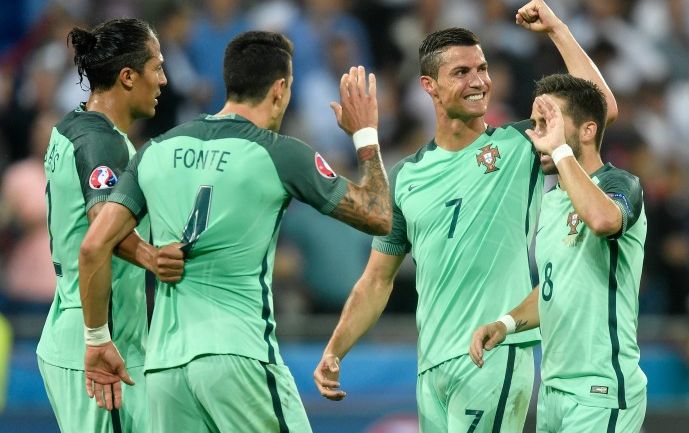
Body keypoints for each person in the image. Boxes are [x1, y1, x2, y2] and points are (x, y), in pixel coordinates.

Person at [313, 1, 618, 432]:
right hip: (432, 366)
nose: (479, 81)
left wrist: (557, 30)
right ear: (429, 86)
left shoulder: (521, 144)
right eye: (461, 72)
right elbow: (377, 280)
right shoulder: (406, 176)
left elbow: (598, 110)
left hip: (493, 354)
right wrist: (335, 350)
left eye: (482, 68)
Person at [78, 31, 391, 433]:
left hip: (165, 370)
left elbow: (93, 246)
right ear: (280, 89)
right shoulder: (280, 153)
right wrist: (365, 135)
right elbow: (379, 215)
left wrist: (97, 337)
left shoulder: (156, 150)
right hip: (240, 357)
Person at [469, 74, 646, 432]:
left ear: (586, 131)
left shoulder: (619, 185)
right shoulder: (551, 203)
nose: (538, 135)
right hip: (552, 391)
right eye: (536, 124)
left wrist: (560, 150)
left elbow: (601, 220)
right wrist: (505, 323)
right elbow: (554, 288)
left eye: (549, 123)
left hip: (601, 391)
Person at [37, 18, 184, 433]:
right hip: (99, 342)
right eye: (156, 67)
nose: (164, 80)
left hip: (73, 327)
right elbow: (102, 230)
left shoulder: (72, 126)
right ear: (127, 76)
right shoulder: (102, 142)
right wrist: (154, 259)